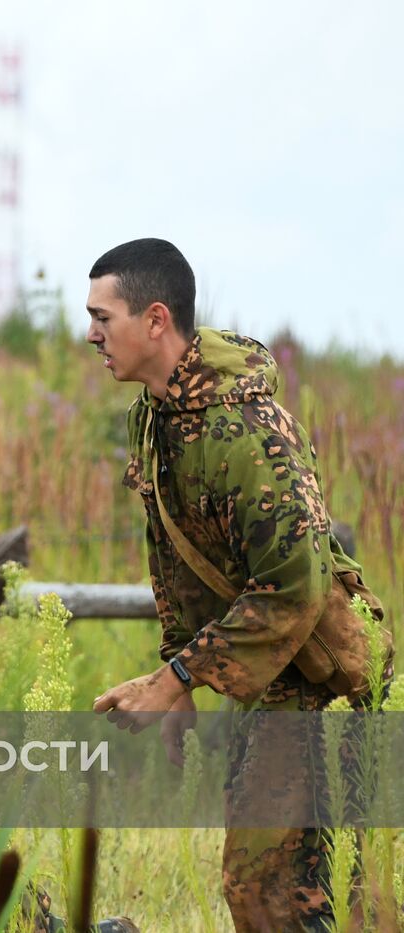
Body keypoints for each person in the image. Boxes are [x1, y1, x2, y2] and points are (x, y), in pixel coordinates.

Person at [86, 238, 391, 932]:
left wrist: (175, 678)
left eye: (104, 317)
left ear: (155, 319)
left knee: (294, 891)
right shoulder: (159, 415)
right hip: (270, 673)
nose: (91, 333)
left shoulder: (245, 429)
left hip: (324, 681)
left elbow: (292, 586)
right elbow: (179, 556)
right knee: (273, 891)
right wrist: (179, 679)